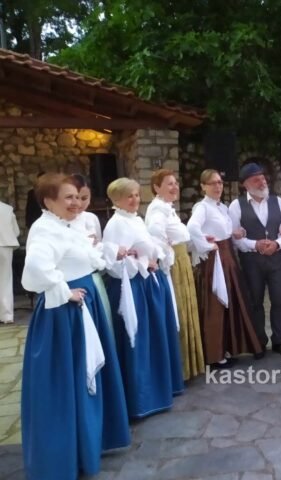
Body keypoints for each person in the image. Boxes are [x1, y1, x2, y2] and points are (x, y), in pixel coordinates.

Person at [21, 173, 130, 480]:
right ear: (48, 201)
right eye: (67, 197)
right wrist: (63, 290)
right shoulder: (45, 229)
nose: (75, 203)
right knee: (66, 381)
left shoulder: (68, 225)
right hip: (64, 314)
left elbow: (86, 258)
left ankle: (88, 444)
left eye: (77, 196)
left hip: (83, 306)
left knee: (83, 377)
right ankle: (64, 456)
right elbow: (35, 270)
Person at [103, 177, 184, 418]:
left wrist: (154, 255)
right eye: (129, 196)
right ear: (116, 199)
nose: (135, 200)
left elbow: (147, 245)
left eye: (137, 195)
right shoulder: (115, 224)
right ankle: (142, 400)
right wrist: (141, 262)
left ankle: (161, 390)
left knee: (154, 337)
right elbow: (113, 265)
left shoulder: (136, 219)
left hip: (146, 284)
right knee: (138, 340)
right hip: (131, 288)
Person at [188, 169, 264, 366]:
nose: (218, 186)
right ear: (203, 186)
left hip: (228, 257)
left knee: (230, 303)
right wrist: (207, 246)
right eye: (212, 183)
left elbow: (223, 230)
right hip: (215, 261)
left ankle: (228, 347)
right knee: (216, 305)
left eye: (220, 182)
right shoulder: (202, 207)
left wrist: (235, 233)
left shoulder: (222, 207)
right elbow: (192, 228)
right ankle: (215, 354)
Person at [228, 161, 281, 357]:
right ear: (246, 184)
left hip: (276, 260)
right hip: (251, 262)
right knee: (255, 301)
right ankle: (258, 342)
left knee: (279, 300)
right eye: (257, 180)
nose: (262, 182)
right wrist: (254, 244)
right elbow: (233, 236)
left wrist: (277, 244)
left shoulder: (278, 202)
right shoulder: (236, 206)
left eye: (263, 178)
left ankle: (278, 340)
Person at [146, 169, 205, 380]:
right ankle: (180, 368)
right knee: (178, 311)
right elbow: (154, 235)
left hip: (180, 261)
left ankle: (188, 366)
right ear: (156, 187)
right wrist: (167, 251)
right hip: (174, 265)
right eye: (169, 184)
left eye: (175, 183)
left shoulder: (167, 209)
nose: (175, 187)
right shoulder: (158, 210)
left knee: (185, 309)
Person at [69, 174, 113, 331]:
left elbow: (99, 245)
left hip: (94, 275)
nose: (79, 203)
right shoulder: (63, 220)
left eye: (84, 198)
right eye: (75, 197)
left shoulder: (92, 218)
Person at [0, 200, 19, 324]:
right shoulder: (7, 209)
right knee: (5, 281)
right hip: (5, 246)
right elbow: (16, 231)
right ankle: (6, 315)